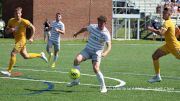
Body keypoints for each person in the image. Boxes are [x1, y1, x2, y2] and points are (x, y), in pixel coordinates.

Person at [67, 15, 111, 93]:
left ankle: (103, 87)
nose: (100, 25)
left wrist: (105, 53)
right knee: (76, 60)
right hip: (88, 49)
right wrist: (77, 33)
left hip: (97, 52)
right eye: (99, 23)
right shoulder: (93, 27)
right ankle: (76, 81)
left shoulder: (106, 33)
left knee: (95, 68)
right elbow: (84, 29)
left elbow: (109, 46)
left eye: (102, 23)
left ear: (105, 23)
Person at [0, 7, 48, 77]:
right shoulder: (11, 21)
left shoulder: (24, 21)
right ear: (14, 14)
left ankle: (8, 71)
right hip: (17, 40)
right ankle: (40, 55)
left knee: (13, 53)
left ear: (21, 14)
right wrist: (11, 30)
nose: (17, 15)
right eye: (16, 13)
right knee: (26, 56)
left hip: (22, 40)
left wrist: (31, 38)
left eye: (19, 13)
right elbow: (6, 32)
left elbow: (33, 28)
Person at [147, 7, 180, 83]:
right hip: (168, 46)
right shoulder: (171, 22)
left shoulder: (167, 23)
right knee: (155, 56)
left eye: (165, 13)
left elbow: (161, 33)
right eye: (163, 13)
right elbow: (178, 31)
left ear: (169, 14)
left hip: (175, 47)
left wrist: (150, 29)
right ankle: (157, 76)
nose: (163, 14)